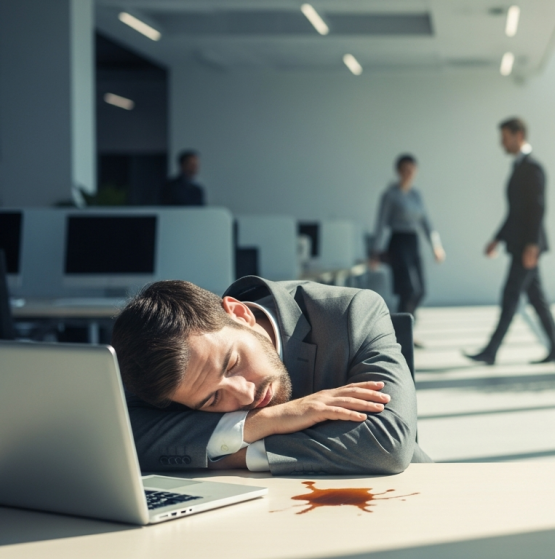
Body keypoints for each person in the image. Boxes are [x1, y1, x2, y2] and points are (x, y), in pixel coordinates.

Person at [111, 276, 430, 475]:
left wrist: (239, 454)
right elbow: (119, 438)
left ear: (240, 313)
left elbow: (388, 442)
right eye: (213, 399)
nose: (245, 394)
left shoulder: (351, 313)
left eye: (232, 364)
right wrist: (267, 421)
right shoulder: (168, 372)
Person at [464, 118, 555, 366]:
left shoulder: (532, 168)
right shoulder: (519, 167)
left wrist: (532, 244)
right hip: (521, 244)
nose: (502, 143)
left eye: (505, 138)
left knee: (510, 296)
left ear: (518, 135)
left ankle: (491, 351)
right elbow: (515, 212)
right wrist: (497, 239)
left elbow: (538, 208)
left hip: (526, 248)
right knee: (536, 299)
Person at [369, 154, 445, 317]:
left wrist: (436, 246)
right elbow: (380, 224)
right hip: (398, 242)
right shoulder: (390, 195)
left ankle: (408, 323)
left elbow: (426, 222)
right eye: (405, 169)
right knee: (407, 289)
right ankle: (401, 328)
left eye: (411, 169)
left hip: (413, 242)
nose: (408, 173)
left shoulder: (416, 195)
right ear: (398, 171)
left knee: (420, 290)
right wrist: (375, 252)